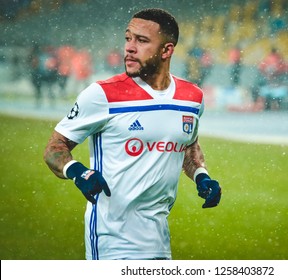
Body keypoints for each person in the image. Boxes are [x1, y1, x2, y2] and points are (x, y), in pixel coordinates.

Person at [43, 8, 222, 260]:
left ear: (167, 50)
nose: (129, 47)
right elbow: (54, 148)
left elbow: (186, 146)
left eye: (142, 40)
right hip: (111, 239)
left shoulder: (192, 98)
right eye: (128, 38)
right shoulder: (102, 95)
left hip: (159, 238)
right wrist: (77, 172)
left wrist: (202, 176)